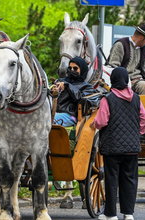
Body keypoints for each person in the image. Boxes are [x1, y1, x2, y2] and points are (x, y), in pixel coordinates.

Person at [92, 67, 145, 220]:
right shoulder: (136, 98)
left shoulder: (107, 99)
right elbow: (144, 119)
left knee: (111, 180)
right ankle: (128, 213)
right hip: (131, 148)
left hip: (112, 147)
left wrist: (94, 125)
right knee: (130, 179)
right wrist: (137, 134)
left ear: (113, 81)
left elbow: (102, 121)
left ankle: (110, 214)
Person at [52, 57, 98, 209]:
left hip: (70, 117)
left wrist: (68, 87)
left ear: (82, 70)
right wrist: (53, 90)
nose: (71, 71)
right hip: (54, 114)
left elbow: (84, 100)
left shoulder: (87, 87)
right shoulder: (60, 81)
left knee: (52, 120)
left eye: (75, 68)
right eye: (70, 68)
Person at [106, 23, 145, 95]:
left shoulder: (143, 49)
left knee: (144, 86)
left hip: (137, 81)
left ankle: (143, 106)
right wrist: (125, 81)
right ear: (141, 38)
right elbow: (113, 67)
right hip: (121, 81)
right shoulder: (120, 44)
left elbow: (144, 69)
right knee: (143, 86)